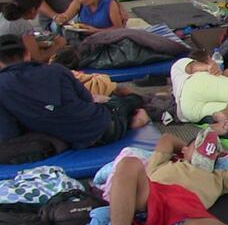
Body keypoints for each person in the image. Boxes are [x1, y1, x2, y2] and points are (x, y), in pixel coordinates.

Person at [0, 34, 148, 150]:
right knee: (127, 101)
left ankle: (133, 114)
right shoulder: (56, 70)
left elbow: (9, 132)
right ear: (27, 54)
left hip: (72, 139)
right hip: (104, 127)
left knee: (115, 103)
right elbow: (87, 99)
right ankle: (137, 111)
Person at [0, 0, 65, 62]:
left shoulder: (2, 16)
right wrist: (58, 45)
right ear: (33, 10)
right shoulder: (24, 26)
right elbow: (37, 58)